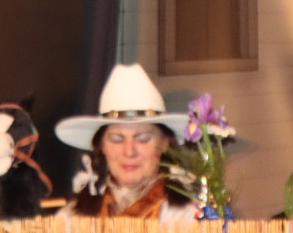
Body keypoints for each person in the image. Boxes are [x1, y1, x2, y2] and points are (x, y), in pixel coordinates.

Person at [52, 64, 199, 221]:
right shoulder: (70, 219)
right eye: (117, 139)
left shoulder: (191, 217)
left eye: (143, 138)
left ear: (165, 143)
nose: (129, 151)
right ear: (102, 146)